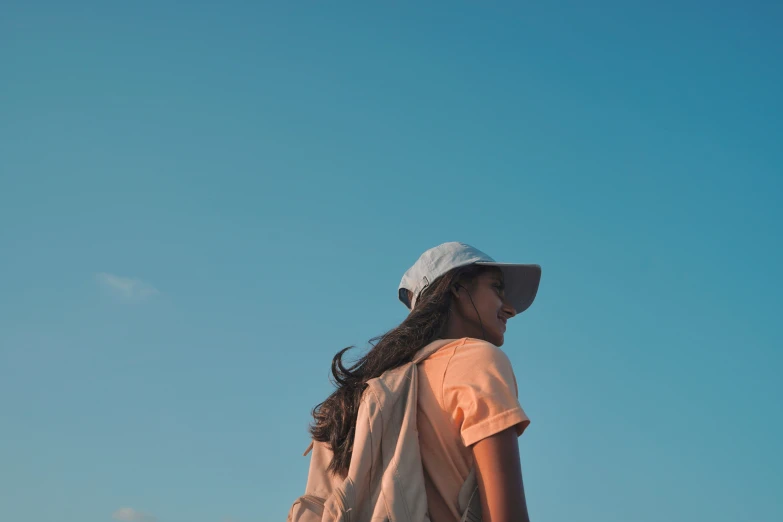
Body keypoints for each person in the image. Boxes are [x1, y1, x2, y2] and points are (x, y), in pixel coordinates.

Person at [309, 242, 542, 522]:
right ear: (457, 288)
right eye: (497, 288)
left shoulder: (362, 396)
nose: (510, 309)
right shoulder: (477, 360)